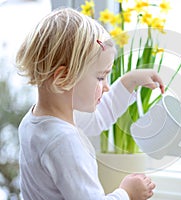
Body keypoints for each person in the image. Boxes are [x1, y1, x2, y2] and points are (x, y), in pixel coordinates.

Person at [15, 7, 164, 200]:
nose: (106, 87)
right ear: (63, 78)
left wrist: (129, 82)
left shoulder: (37, 121)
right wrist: (127, 193)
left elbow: (97, 119)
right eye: (101, 77)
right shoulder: (64, 141)